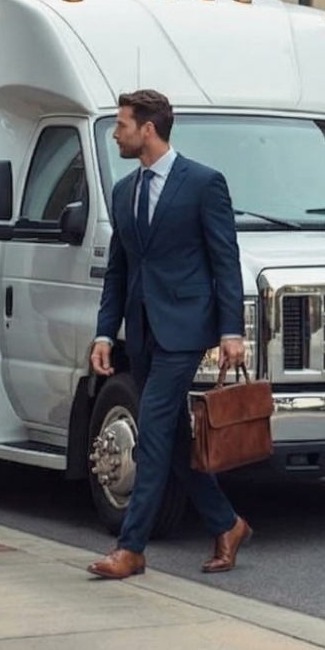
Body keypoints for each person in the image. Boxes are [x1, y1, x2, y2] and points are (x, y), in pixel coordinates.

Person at [87, 89, 253, 580]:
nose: (116, 133)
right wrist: (103, 334)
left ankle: (131, 547)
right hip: (141, 330)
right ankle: (228, 523)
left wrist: (230, 330)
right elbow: (119, 271)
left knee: (153, 428)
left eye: (121, 125)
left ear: (148, 129)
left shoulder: (203, 183)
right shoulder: (123, 190)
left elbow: (225, 260)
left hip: (184, 329)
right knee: (174, 440)